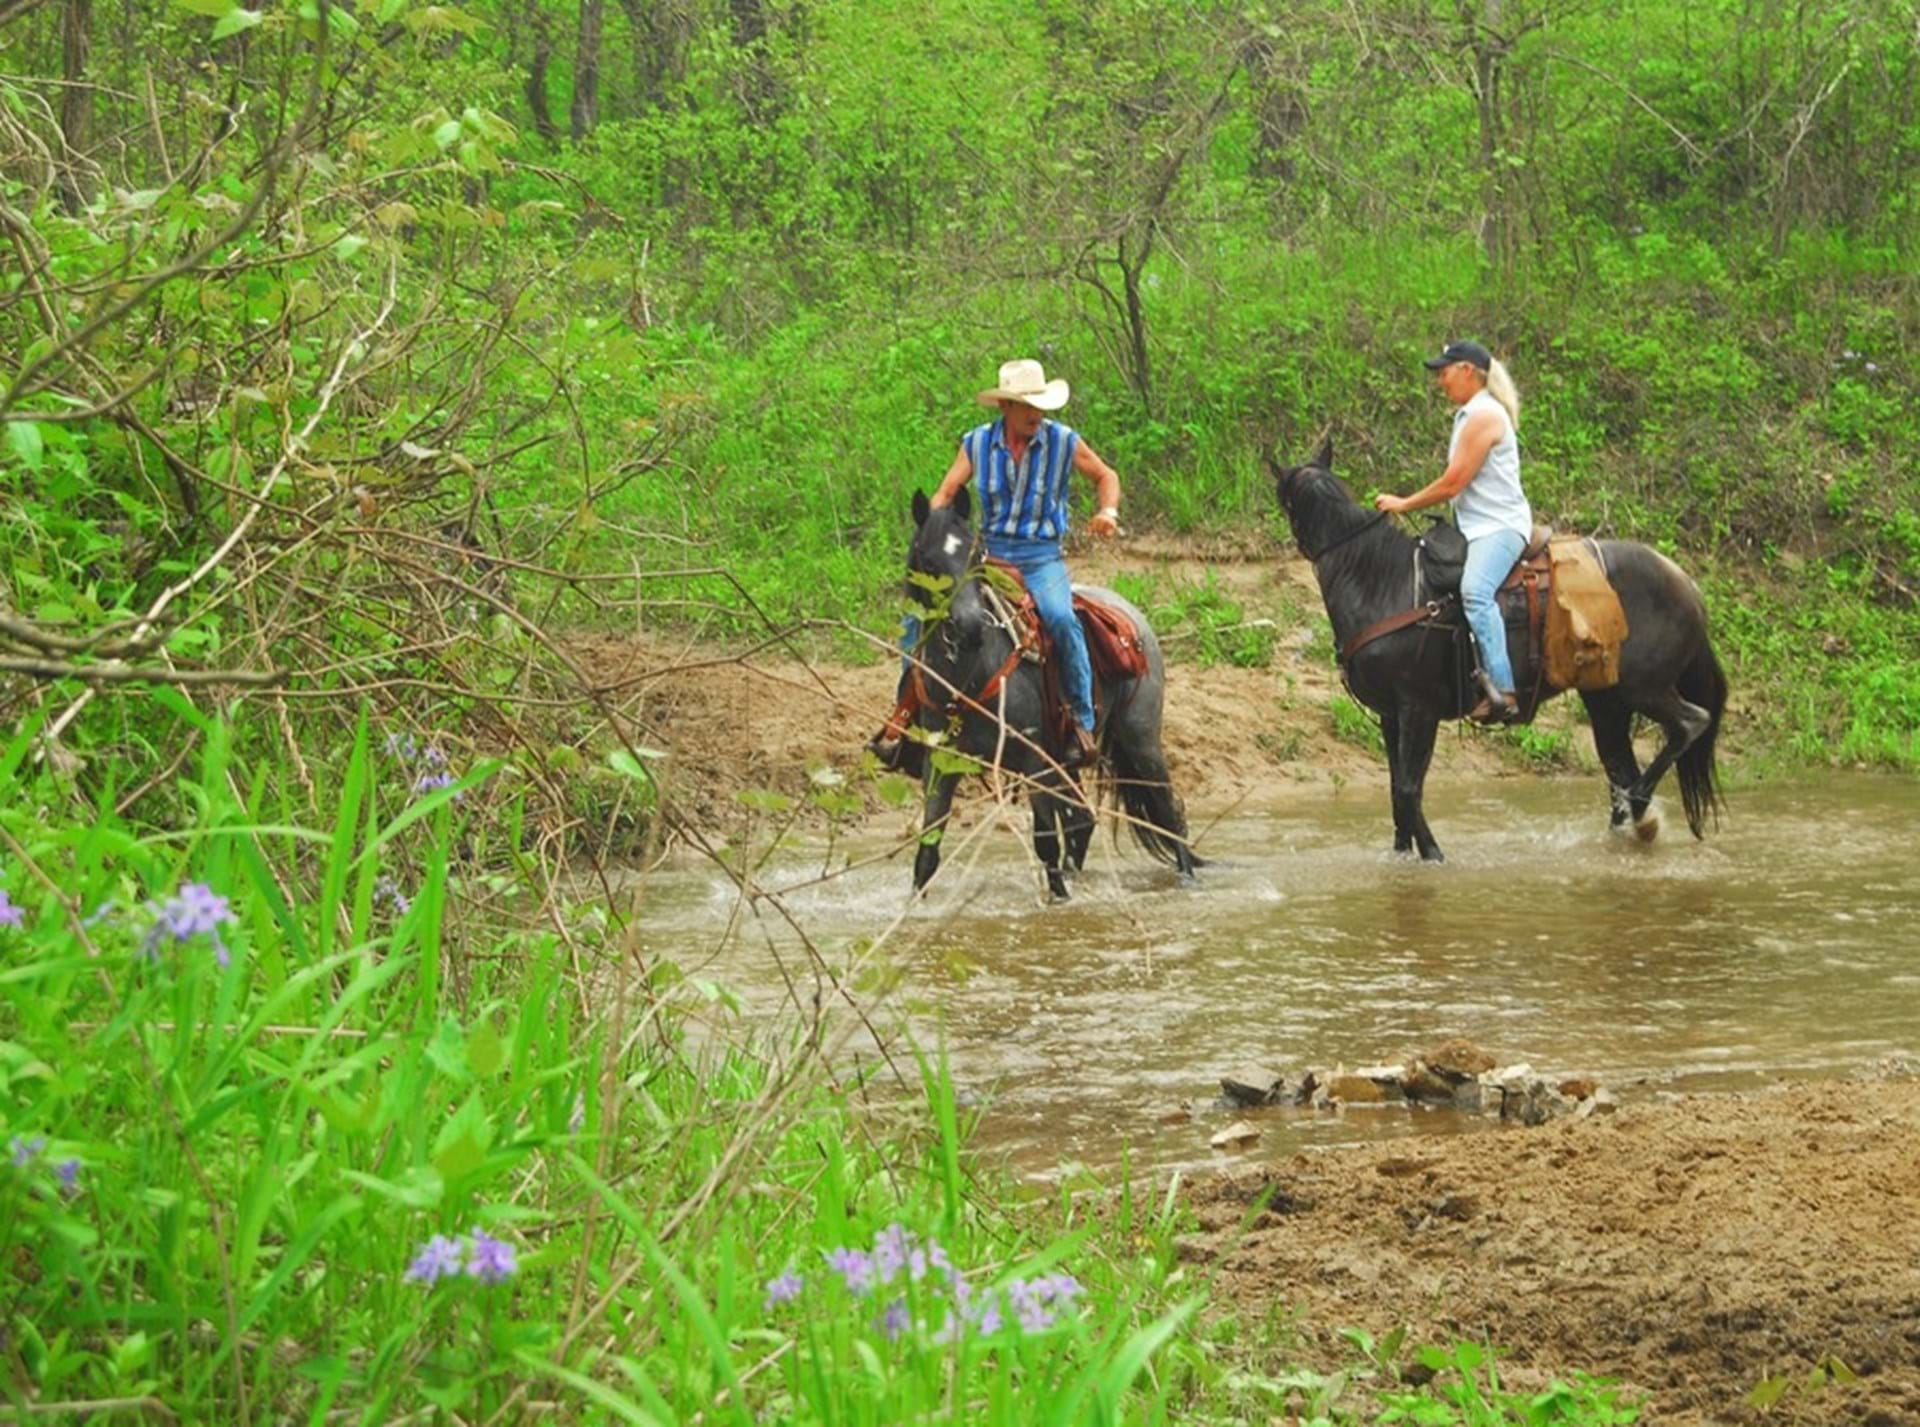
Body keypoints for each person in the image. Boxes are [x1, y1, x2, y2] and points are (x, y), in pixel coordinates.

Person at [878, 358, 1123, 770]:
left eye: (1039, 404)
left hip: (1041, 557)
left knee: (1062, 620)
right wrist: (934, 524)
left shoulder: (1063, 441)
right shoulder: (976, 443)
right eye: (1026, 404)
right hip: (990, 556)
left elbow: (1105, 475)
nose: (1036, 413)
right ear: (1005, 407)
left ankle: (1082, 720)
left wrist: (1108, 511)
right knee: (920, 619)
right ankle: (907, 713)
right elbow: (948, 489)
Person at [1373, 339, 1531, 724]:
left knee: (1476, 593)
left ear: (1467, 372)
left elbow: (1452, 483)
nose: (1440, 381)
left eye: (1444, 372)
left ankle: (1504, 691)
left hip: (1499, 527)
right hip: (1474, 528)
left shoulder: (1484, 417)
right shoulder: (1469, 415)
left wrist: (1403, 504)